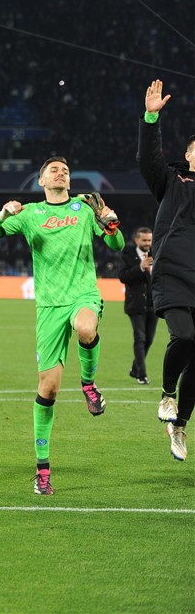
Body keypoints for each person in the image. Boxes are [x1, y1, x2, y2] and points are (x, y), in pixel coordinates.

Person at [0, 158, 125, 494]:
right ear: (41, 180)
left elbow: (116, 246)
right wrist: (3, 214)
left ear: (69, 181)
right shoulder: (30, 214)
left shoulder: (85, 208)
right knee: (49, 390)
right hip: (48, 307)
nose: (61, 173)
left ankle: (88, 385)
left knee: (86, 327)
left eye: (66, 171)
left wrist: (110, 224)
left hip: (83, 294)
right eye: (54, 170)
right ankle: (42, 470)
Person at [137, 79, 195, 462]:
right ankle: (167, 394)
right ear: (188, 155)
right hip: (172, 272)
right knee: (185, 336)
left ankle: (180, 427)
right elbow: (148, 160)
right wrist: (150, 119)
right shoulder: (172, 180)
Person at [117, 227, 157, 385]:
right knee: (140, 338)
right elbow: (123, 276)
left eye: (149, 240)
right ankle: (142, 374)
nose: (147, 243)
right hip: (135, 305)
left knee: (149, 340)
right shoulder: (128, 255)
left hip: (153, 304)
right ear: (136, 240)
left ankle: (135, 369)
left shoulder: (156, 254)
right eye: (144, 240)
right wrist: (140, 267)